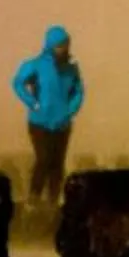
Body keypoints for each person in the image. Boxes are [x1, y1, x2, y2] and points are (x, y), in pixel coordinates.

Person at [11, 24, 85, 203]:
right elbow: (17, 83)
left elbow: (79, 91)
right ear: (50, 45)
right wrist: (33, 103)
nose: (63, 48)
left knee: (57, 164)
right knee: (43, 159)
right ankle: (34, 198)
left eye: (66, 44)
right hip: (39, 123)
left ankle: (53, 200)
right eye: (59, 45)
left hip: (62, 124)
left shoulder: (71, 68)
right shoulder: (36, 65)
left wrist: (71, 110)